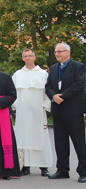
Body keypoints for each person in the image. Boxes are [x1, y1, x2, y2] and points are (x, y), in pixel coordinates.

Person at [46, 42, 86, 182]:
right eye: (56, 52)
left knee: (79, 142)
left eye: (60, 51)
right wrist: (53, 96)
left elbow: (78, 85)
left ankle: (83, 171)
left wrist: (62, 96)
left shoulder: (78, 67)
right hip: (58, 110)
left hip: (73, 110)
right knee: (60, 143)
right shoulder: (53, 68)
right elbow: (48, 86)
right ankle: (62, 170)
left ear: (68, 52)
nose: (57, 54)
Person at [12, 48, 52, 176]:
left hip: (38, 111)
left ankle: (43, 166)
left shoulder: (43, 74)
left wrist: (45, 106)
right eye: (25, 56)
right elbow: (12, 93)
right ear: (22, 58)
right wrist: (16, 106)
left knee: (42, 138)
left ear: (34, 57)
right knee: (23, 138)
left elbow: (48, 92)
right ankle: (25, 165)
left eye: (30, 56)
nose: (28, 58)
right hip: (22, 112)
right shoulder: (17, 74)